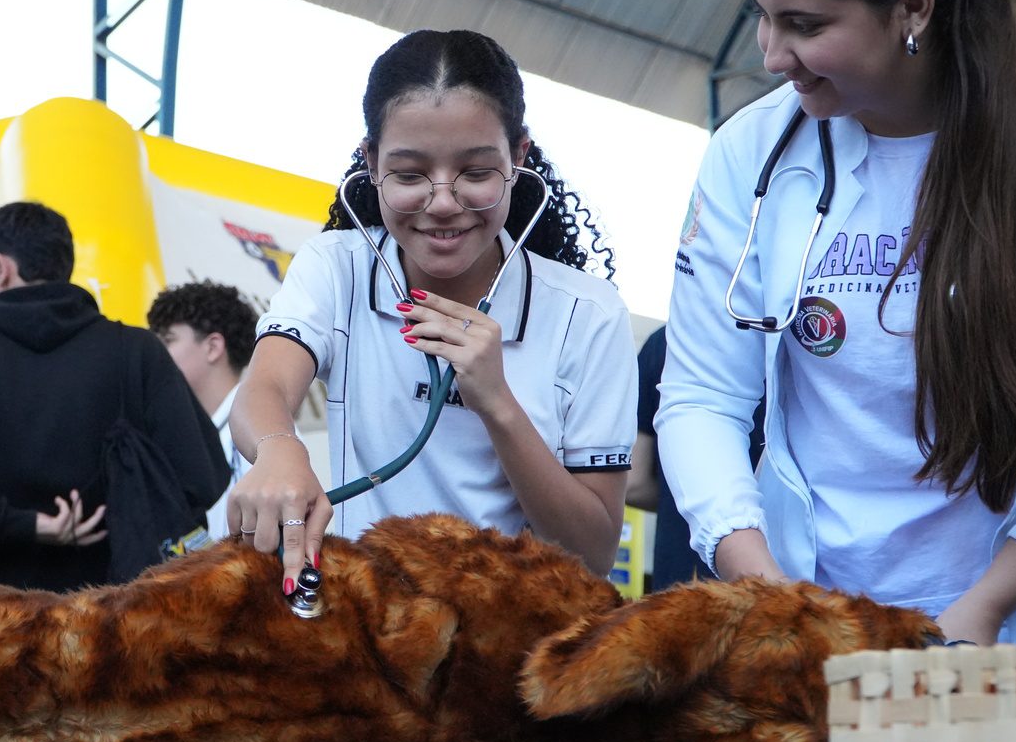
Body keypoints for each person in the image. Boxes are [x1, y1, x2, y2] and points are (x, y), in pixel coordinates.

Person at [658, 0, 1016, 643]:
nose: (773, 55)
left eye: (805, 25)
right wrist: (770, 593)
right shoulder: (750, 151)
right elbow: (701, 397)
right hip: (813, 617)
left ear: (914, 7)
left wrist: (989, 605)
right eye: (763, 16)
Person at [229, 29, 638, 596]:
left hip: (505, 635)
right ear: (372, 162)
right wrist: (279, 450)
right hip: (365, 622)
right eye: (409, 174)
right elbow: (264, 387)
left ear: (518, 158)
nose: (443, 202)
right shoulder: (337, 266)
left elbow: (592, 554)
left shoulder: (587, 316)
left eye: (476, 172)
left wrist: (497, 404)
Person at [0, 201, 230, 592]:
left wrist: (5, 520)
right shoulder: (137, 352)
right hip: (104, 613)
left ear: (1, 268)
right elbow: (203, 475)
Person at [628, 325, 766, 591]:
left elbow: (633, 482)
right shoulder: (794, 343)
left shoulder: (665, 342)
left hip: (682, 576)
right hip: (780, 575)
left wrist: (691, 502)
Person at [147, 280, 259, 544]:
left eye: (167, 340)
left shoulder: (258, 429)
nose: (154, 354)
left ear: (213, 347)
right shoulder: (196, 429)